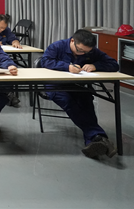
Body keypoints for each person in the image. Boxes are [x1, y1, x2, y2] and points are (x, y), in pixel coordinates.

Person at [41, 29, 119, 158]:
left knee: (86, 100)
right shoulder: (57, 46)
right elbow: (45, 62)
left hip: (76, 84)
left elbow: (113, 64)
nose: (83, 53)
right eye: (80, 50)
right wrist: (67, 67)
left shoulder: (90, 50)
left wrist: (95, 66)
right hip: (54, 85)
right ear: (72, 41)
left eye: (86, 52)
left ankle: (94, 141)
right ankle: (99, 136)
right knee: (68, 102)